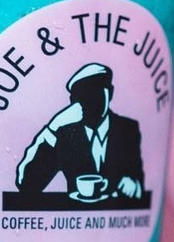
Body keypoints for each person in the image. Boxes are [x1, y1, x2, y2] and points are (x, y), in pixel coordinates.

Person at [15, 63, 145, 199]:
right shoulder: (65, 134)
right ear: (73, 102)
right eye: (82, 96)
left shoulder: (127, 129)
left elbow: (140, 177)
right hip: (72, 211)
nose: (89, 102)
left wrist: (134, 186)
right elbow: (27, 185)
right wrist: (53, 126)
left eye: (94, 93)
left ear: (110, 93)